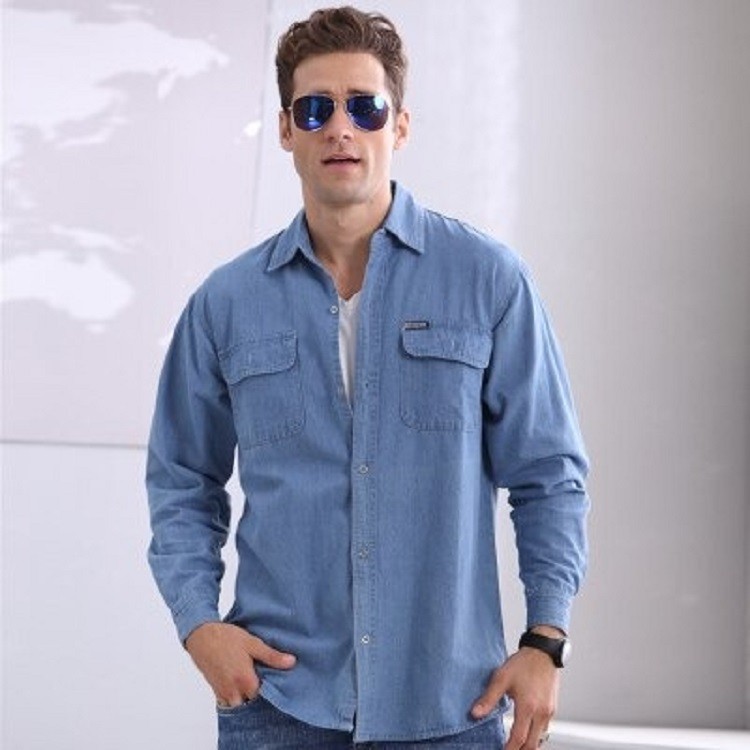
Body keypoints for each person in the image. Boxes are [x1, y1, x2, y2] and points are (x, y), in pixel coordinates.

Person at [146, 6, 590, 749]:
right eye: (314, 109)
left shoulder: (488, 281)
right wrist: (199, 625)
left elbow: (550, 474)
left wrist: (546, 639)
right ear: (286, 129)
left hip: (449, 707)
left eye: (365, 107)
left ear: (400, 126)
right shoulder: (225, 303)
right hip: (279, 705)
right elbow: (181, 480)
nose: (339, 128)